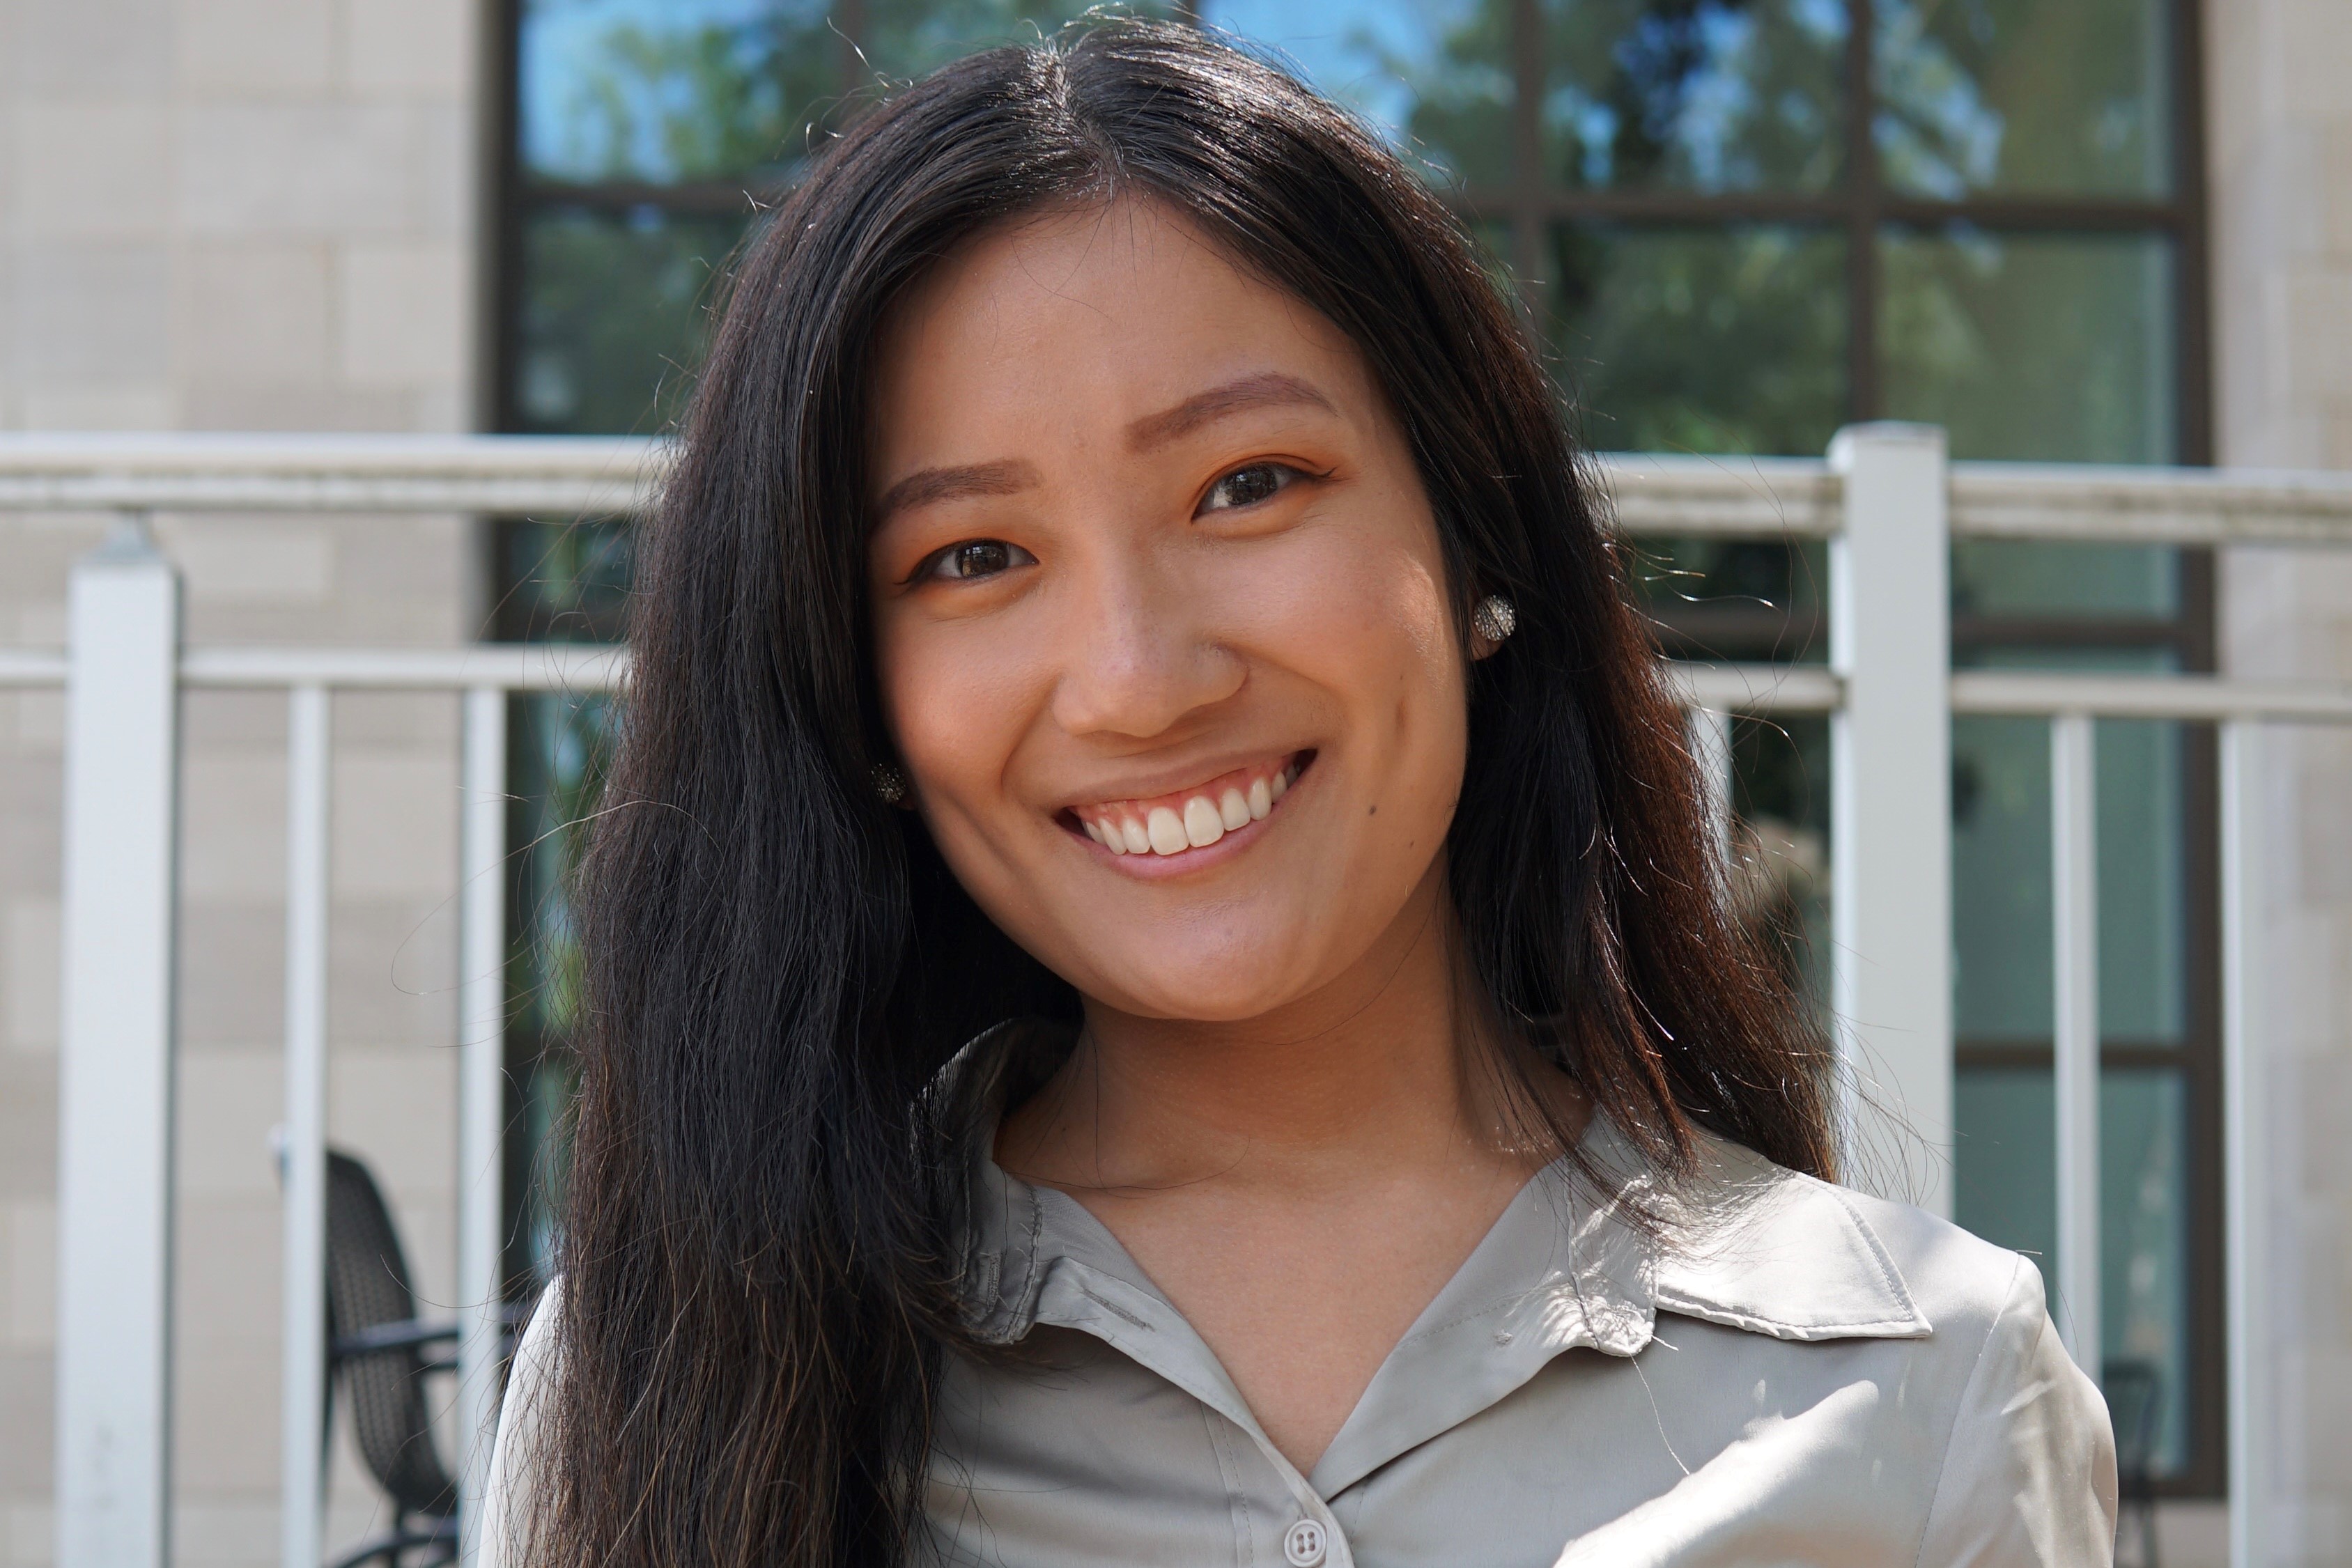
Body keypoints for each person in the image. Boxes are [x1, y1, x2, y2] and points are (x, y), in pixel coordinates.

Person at [486, 20, 2116, 1568]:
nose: (1136, 676)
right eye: (972, 558)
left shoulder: (1930, 1389)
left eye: (1246, 486)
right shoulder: (667, 1373)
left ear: (1475, 540)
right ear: (854, 701)